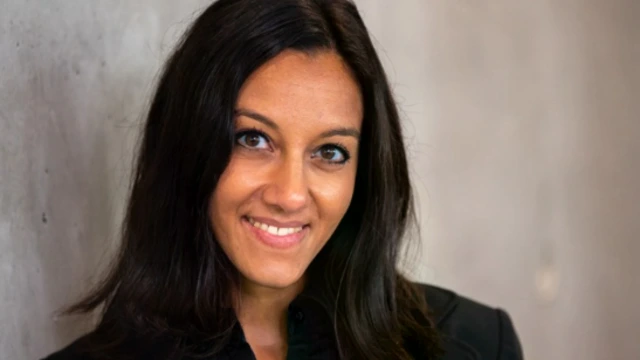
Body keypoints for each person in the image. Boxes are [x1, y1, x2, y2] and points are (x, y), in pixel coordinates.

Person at [44, 0, 523, 359]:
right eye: (253, 139)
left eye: (330, 152)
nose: (290, 194)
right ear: (188, 145)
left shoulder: (477, 345)